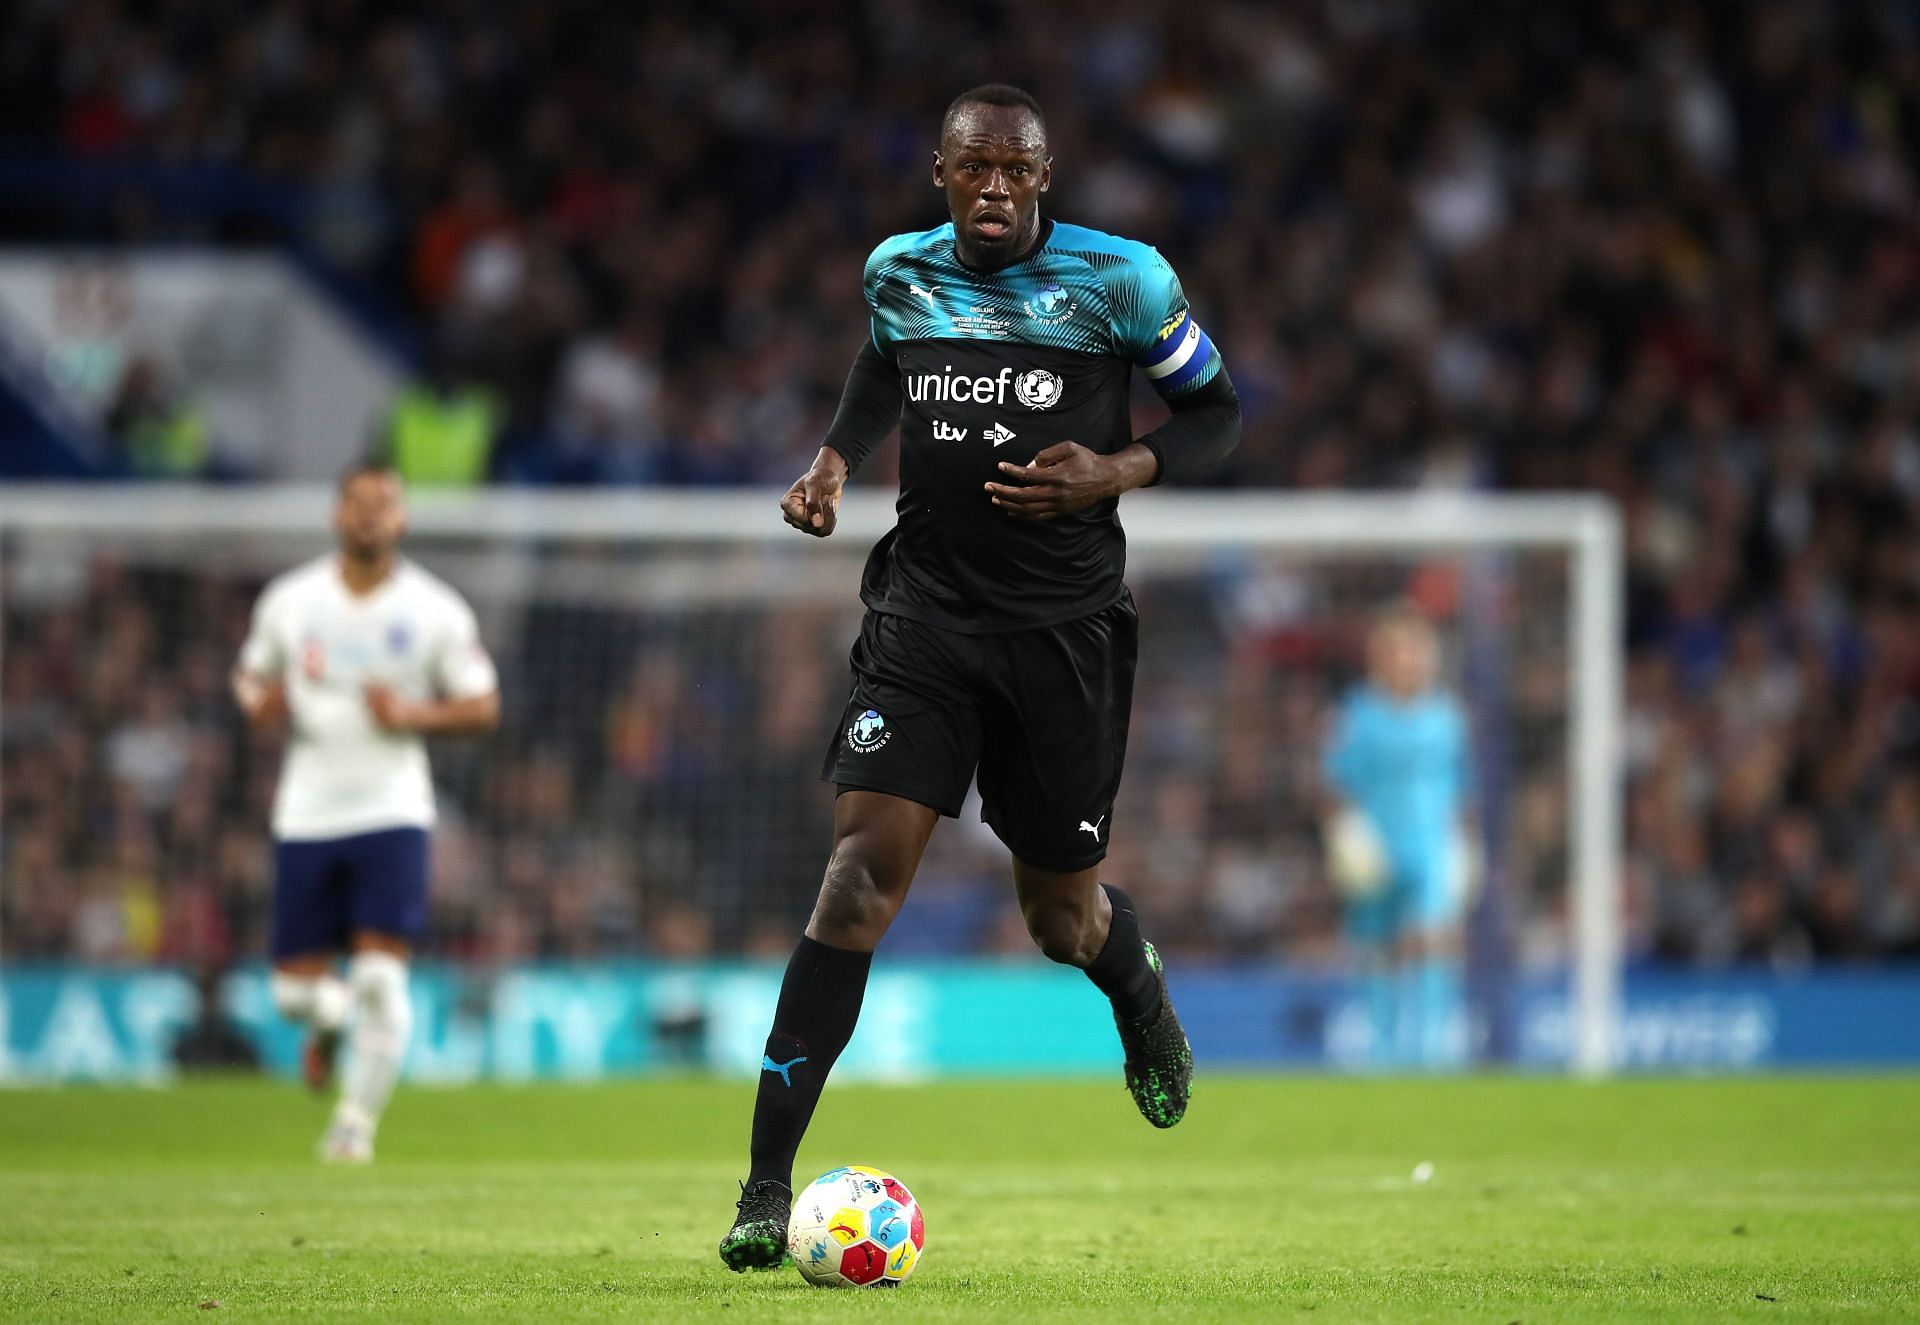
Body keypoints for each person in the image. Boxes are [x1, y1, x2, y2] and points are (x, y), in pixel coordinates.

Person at [719, 84, 1241, 1270]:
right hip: (924, 624)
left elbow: (1218, 413)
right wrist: (834, 458)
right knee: (856, 879)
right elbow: (883, 366)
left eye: (1016, 169)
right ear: (941, 173)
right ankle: (762, 1187)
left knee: (1061, 917)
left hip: (1062, 637)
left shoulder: (1125, 280)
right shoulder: (899, 270)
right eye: (974, 169)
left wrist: (1115, 467)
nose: (995, 188)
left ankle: (1136, 983)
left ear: (1044, 174)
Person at [232, 462, 499, 1160]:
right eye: (358, 503)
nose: (371, 516)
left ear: (403, 519)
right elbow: (250, 675)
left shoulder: (435, 608)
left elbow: (483, 703)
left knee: (383, 973)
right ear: (336, 514)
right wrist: (256, 703)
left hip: (393, 808)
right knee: (293, 994)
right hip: (307, 810)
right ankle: (331, 1019)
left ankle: (353, 1126)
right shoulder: (291, 601)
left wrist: (410, 711)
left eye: (385, 504)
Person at [1322, 608, 1475, 1070]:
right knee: (1378, 946)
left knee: (1434, 936)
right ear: (1381, 658)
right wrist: (1344, 839)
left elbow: (1461, 788)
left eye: (1418, 652)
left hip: (1430, 844)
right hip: (1375, 848)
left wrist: (1466, 844)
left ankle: (1433, 1048)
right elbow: (1337, 788)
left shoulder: (1446, 717)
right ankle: (1382, 1050)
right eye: (1401, 652)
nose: (1411, 662)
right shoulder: (1357, 716)